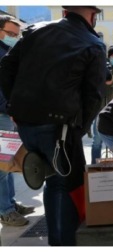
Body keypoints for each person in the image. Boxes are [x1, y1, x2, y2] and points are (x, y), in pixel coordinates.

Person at [0, 6, 107, 245]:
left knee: (51, 180)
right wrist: (78, 130)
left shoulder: (35, 31)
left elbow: (6, 67)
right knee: (64, 183)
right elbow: (94, 97)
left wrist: (13, 106)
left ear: (64, 11)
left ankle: (58, 240)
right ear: (92, 15)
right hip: (61, 127)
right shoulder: (93, 43)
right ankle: (62, 243)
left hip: (28, 122)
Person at [0, 15, 35, 227]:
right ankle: (6, 210)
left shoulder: (7, 51)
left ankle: (10, 204)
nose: (14, 37)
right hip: (3, 114)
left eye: (16, 34)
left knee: (10, 161)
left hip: (9, 113)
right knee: (3, 165)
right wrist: (9, 107)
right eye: (10, 34)